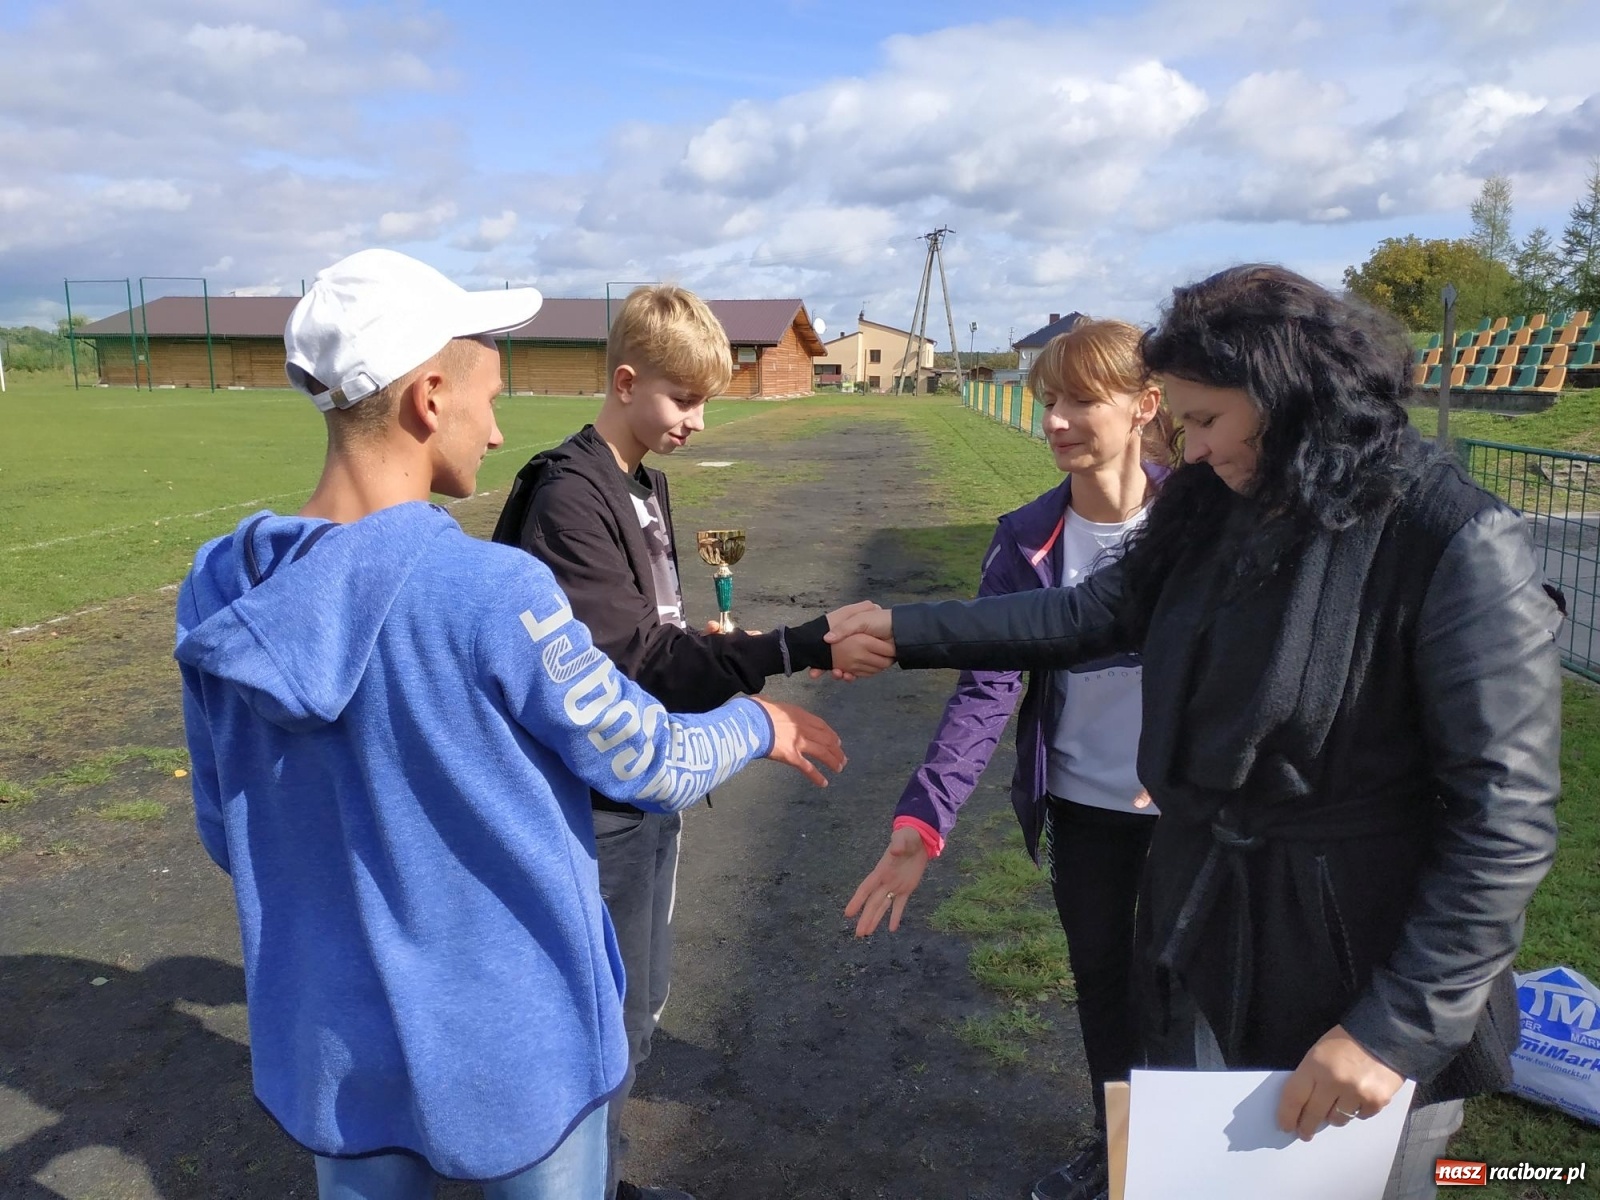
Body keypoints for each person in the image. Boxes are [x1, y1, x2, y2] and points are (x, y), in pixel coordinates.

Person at [830, 265, 1561, 1200]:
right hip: (1203, 932)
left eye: (1207, 420)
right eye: (1182, 421)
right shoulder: (1216, 502)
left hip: (1358, 966)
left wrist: (1394, 1029)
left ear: (1288, 394)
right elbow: (1088, 615)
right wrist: (905, 631)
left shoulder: (1451, 538)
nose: (1193, 445)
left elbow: (1505, 821)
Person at [174, 249, 846, 1200]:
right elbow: (648, 759)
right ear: (429, 398)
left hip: (332, 1039)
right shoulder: (494, 594)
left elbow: (223, 828)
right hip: (512, 1045)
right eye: (489, 399)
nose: (496, 434)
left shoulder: (219, 586)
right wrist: (756, 723)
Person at [492, 283, 888, 1200]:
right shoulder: (568, 497)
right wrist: (793, 647)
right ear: (626, 381)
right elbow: (632, 656)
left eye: (706, 401)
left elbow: (652, 633)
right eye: (683, 399)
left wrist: (717, 649)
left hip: (649, 783)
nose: (698, 422)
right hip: (593, 807)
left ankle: (601, 1172)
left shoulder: (643, 485)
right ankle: (576, 1179)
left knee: (636, 1001)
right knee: (596, 1017)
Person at [845, 319, 1171, 1200]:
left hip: (1195, 820)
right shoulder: (1027, 538)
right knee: (1105, 994)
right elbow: (988, 689)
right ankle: (1125, 1162)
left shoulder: (1203, 523)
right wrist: (924, 820)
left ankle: (1195, 1167)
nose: (1056, 420)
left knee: (1189, 1002)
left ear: (1145, 406)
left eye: (1080, 399)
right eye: (1047, 401)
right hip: (1086, 815)